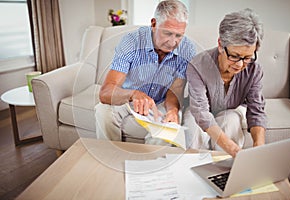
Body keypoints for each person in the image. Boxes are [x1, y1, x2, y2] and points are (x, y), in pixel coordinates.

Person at [95, 0, 196, 144]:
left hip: (161, 102)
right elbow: (105, 93)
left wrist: (173, 110)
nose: (173, 42)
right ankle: (111, 158)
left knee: (168, 129)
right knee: (103, 111)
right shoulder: (132, 42)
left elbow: (175, 90)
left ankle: (149, 165)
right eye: (167, 33)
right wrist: (133, 94)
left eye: (179, 35)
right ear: (154, 24)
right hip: (129, 98)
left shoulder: (187, 49)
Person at [184, 8, 267, 157]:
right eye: (235, 56)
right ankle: (194, 167)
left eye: (247, 57)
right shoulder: (197, 65)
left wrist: (259, 149)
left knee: (231, 120)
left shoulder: (254, 69)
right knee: (192, 123)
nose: (240, 65)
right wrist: (234, 150)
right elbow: (201, 112)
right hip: (198, 111)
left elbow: (256, 111)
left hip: (231, 110)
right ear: (221, 44)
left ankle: (227, 172)